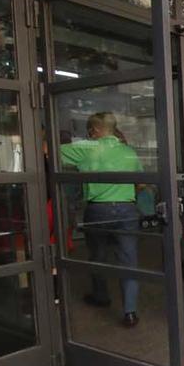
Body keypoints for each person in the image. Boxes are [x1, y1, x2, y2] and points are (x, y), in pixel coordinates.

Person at [60, 112, 143, 328]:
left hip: (98, 210)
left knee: (98, 255)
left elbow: (47, 149)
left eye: (89, 131)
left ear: (95, 130)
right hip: (127, 209)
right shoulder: (129, 152)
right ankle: (130, 312)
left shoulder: (86, 148)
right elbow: (141, 183)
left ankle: (101, 296)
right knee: (129, 260)